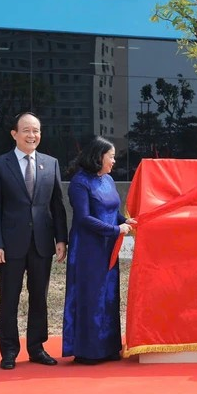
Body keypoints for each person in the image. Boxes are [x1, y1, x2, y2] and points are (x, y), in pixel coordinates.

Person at [0, 112, 68, 370]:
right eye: (26, 130)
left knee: (39, 298)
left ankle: (37, 347)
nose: (32, 135)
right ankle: (9, 351)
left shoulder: (51, 163)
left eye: (36, 130)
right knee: (9, 298)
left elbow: (57, 205)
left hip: (42, 242)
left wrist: (61, 238)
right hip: (10, 244)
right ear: (14, 134)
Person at [63, 136, 135, 364]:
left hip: (108, 247)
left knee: (109, 295)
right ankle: (89, 351)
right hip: (88, 248)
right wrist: (116, 229)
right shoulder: (79, 182)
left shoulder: (108, 180)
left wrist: (126, 221)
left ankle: (108, 347)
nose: (114, 161)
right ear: (98, 157)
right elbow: (84, 218)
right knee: (91, 296)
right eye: (111, 157)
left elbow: (112, 211)